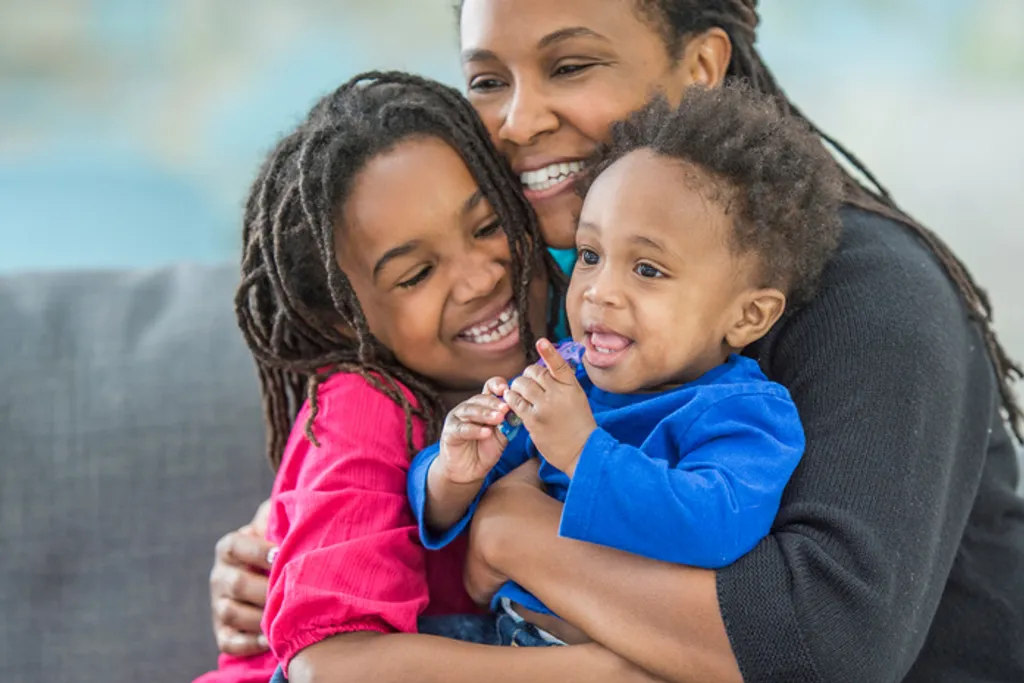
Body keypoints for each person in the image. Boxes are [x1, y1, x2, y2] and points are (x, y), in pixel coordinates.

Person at [210, 2, 1024, 681]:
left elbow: (824, 645)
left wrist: (508, 533)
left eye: (570, 67)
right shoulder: (575, 283)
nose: (519, 120)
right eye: (488, 80)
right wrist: (299, 549)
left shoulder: (876, 294)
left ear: (701, 68)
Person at [195, 70, 674, 683]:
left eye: (486, 227)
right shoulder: (362, 405)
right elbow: (329, 668)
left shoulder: (582, 343)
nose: (478, 279)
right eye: (416, 274)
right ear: (341, 320)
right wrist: (609, 672)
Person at [412, 84, 842, 648]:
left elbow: (715, 527)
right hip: (502, 630)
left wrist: (583, 452)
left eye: (647, 269)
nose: (599, 292)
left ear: (747, 316)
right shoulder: (567, 375)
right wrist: (454, 471)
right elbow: (451, 497)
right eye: (590, 256)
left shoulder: (744, 414)